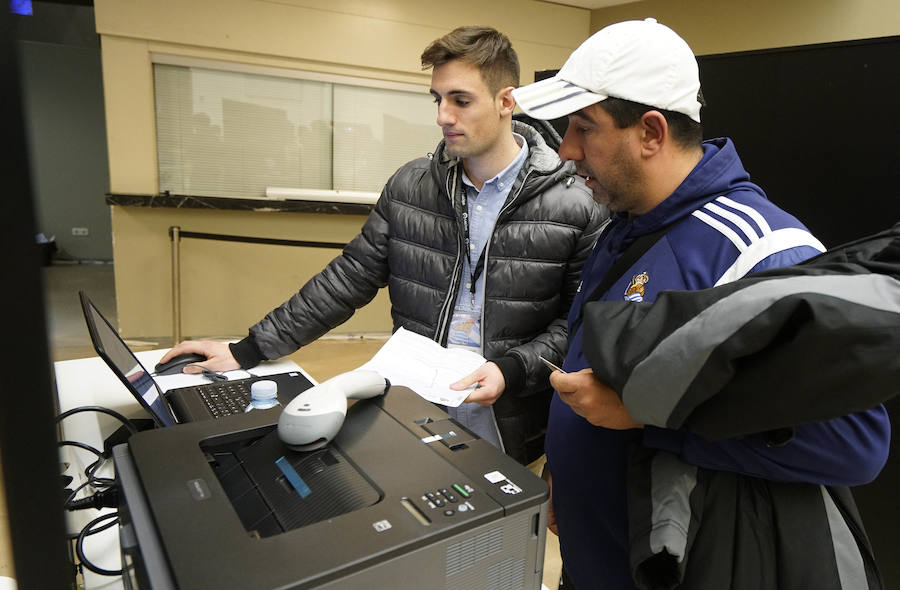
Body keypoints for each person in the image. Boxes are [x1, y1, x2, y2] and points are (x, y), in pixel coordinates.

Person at [512, 18, 890, 589]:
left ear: (651, 132)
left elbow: (854, 443)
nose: (566, 150)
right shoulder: (624, 225)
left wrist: (646, 416)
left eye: (582, 128)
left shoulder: (760, 249)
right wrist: (568, 474)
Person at [161, 25, 605, 465]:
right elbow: (348, 279)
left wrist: (512, 369)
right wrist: (248, 350)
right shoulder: (412, 185)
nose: (443, 116)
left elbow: (576, 325)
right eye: (438, 99)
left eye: (461, 100)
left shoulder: (575, 205)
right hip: (412, 411)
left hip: (508, 425)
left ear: (506, 101)